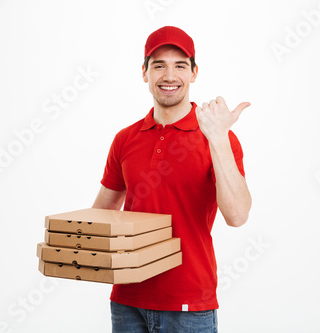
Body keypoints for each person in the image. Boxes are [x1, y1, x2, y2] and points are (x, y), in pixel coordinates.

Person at [92, 25, 252, 333]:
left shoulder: (219, 138)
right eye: (159, 65)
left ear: (193, 73)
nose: (169, 76)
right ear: (144, 73)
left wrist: (218, 139)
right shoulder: (125, 139)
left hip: (189, 306)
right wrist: (70, 250)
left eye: (180, 65)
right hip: (127, 301)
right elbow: (102, 215)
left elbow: (238, 216)